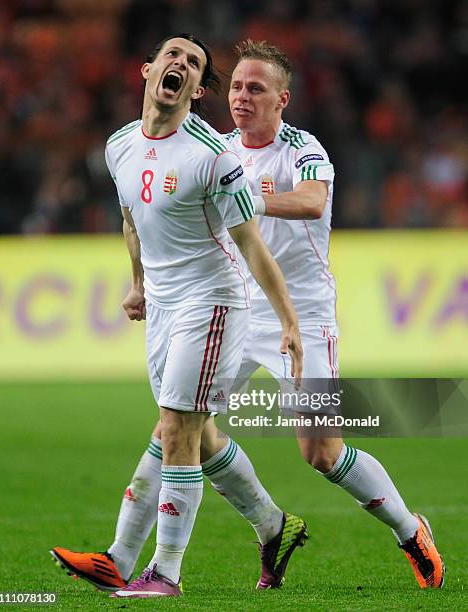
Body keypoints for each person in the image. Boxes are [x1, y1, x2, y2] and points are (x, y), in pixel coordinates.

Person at [53, 38, 445, 595]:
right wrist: (142, 282)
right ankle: (217, 536)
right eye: (235, 85)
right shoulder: (218, 147)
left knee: (321, 451)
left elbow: (311, 201)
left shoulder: (301, 148)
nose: (241, 96)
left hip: (302, 314)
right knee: (178, 429)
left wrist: (250, 195)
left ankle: (410, 530)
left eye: (255, 88)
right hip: (231, 304)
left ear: (281, 100)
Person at [51, 34, 305, 598]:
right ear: (147, 70)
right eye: (173, 56)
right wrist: (139, 285)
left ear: (196, 88)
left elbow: (251, 244)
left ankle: (160, 569)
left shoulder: (213, 156)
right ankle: (273, 525)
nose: (182, 65)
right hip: (164, 305)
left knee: (175, 427)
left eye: (194, 64)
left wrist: (288, 319)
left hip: (213, 301)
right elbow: (130, 219)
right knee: (196, 433)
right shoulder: (119, 145)